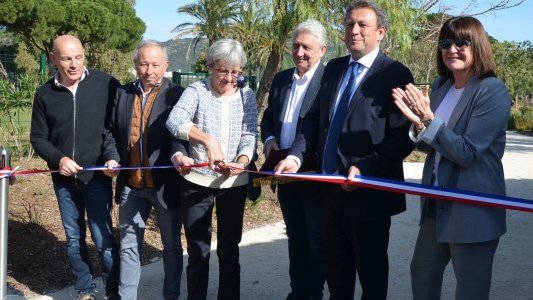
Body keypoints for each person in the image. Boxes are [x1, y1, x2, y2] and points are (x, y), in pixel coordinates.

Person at [275, 1, 414, 299]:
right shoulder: (334, 68)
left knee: (372, 278)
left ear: (380, 33)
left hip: (369, 195)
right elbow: (313, 120)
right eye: (349, 24)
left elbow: (403, 138)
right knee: (336, 277)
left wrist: (367, 169)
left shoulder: (395, 74)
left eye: (362, 25)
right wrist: (295, 156)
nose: (354, 30)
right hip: (328, 194)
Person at [392, 16, 510, 300]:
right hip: (437, 205)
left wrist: (428, 120)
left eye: (461, 42)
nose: (452, 49)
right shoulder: (441, 87)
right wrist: (419, 125)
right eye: (446, 42)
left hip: (472, 208)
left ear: (477, 46)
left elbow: (467, 153)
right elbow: (434, 146)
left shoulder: (492, 90)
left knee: (470, 290)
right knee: (422, 274)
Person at [166, 38, 257, 300]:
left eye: (235, 72)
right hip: (197, 181)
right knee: (198, 250)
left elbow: (249, 134)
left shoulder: (246, 94)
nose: (229, 78)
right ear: (210, 66)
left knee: (230, 250)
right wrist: (207, 140)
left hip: (233, 184)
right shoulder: (196, 90)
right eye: (223, 70)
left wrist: (241, 161)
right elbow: (174, 121)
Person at [30, 35, 120, 300]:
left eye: (78, 57)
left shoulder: (105, 84)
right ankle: (85, 290)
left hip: (97, 178)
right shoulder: (45, 94)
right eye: (67, 58)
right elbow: (37, 138)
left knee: (103, 239)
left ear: (84, 55)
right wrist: (59, 159)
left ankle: (113, 290)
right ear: (54, 59)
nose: (73, 64)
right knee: (73, 238)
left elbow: (113, 128)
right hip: (64, 180)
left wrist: (113, 157)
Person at [102, 40, 185, 300]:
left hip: (164, 185)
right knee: (128, 246)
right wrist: (113, 157)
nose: (149, 70)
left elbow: (181, 134)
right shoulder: (123, 93)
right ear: (136, 65)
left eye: (155, 64)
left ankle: (170, 295)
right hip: (131, 185)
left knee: (171, 246)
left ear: (166, 65)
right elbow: (110, 132)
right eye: (143, 63)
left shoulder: (177, 95)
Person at [260, 19, 327, 300]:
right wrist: (269, 139)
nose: (300, 52)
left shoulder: (328, 82)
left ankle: (312, 293)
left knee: (315, 238)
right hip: (282, 172)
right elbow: (268, 118)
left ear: (322, 50)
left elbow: (317, 127)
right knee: (295, 235)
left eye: (307, 47)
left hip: (312, 173)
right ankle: (296, 289)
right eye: (296, 46)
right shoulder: (281, 79)